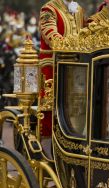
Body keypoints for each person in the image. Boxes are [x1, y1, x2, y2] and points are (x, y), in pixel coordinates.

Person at [39, 0, 85, 137]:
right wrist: (73, 47)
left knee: (76, 105)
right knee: (50, 107)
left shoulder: (79, 9)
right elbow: (51, 34)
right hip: (53, 67)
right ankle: (48, 141)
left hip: (75, 67)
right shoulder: (48, 9)